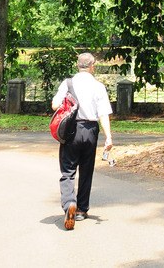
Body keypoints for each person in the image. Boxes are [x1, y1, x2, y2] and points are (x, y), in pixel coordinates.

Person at [52, 51, 113, 230]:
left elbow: (55, 105)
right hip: (91, 131)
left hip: (71, 129)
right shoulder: (98, 86)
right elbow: (103, 113)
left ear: (77, 65)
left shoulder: (68, 83)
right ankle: (81, 209)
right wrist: (108, 136)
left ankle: (69, 202)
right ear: (92, 66)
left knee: (68, 170)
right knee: (87, 170)